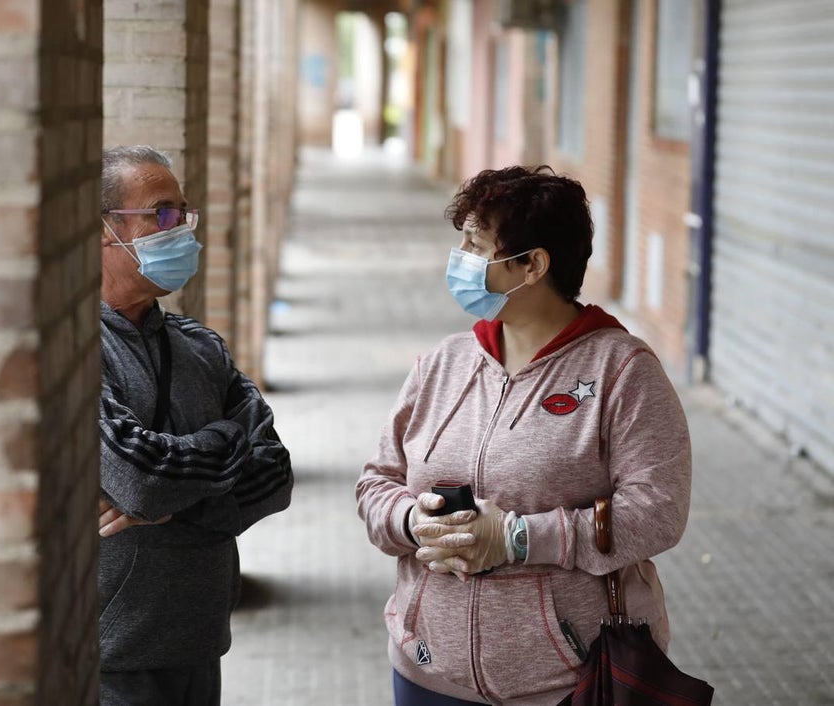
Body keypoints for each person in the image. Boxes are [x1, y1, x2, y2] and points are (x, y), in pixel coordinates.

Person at [355, 166, 692, 705]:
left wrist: (517, 539)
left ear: (533, 264)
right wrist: (411, 521)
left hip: (565, 681)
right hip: (426, 671)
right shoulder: (443, 364)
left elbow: (658, 511)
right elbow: (377, 483)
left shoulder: (621, 372)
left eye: (476, 244)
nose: (459, 259)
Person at [96, 145, 293, 706]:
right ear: (104, 229)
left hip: (200, 640)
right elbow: (141, 477)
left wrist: (170, 502)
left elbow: (274, 475)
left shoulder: (200, 346)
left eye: (183, 213)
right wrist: (228, 443)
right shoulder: (76, 351)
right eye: (161, 214)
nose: (180, 228)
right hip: (111, 656)